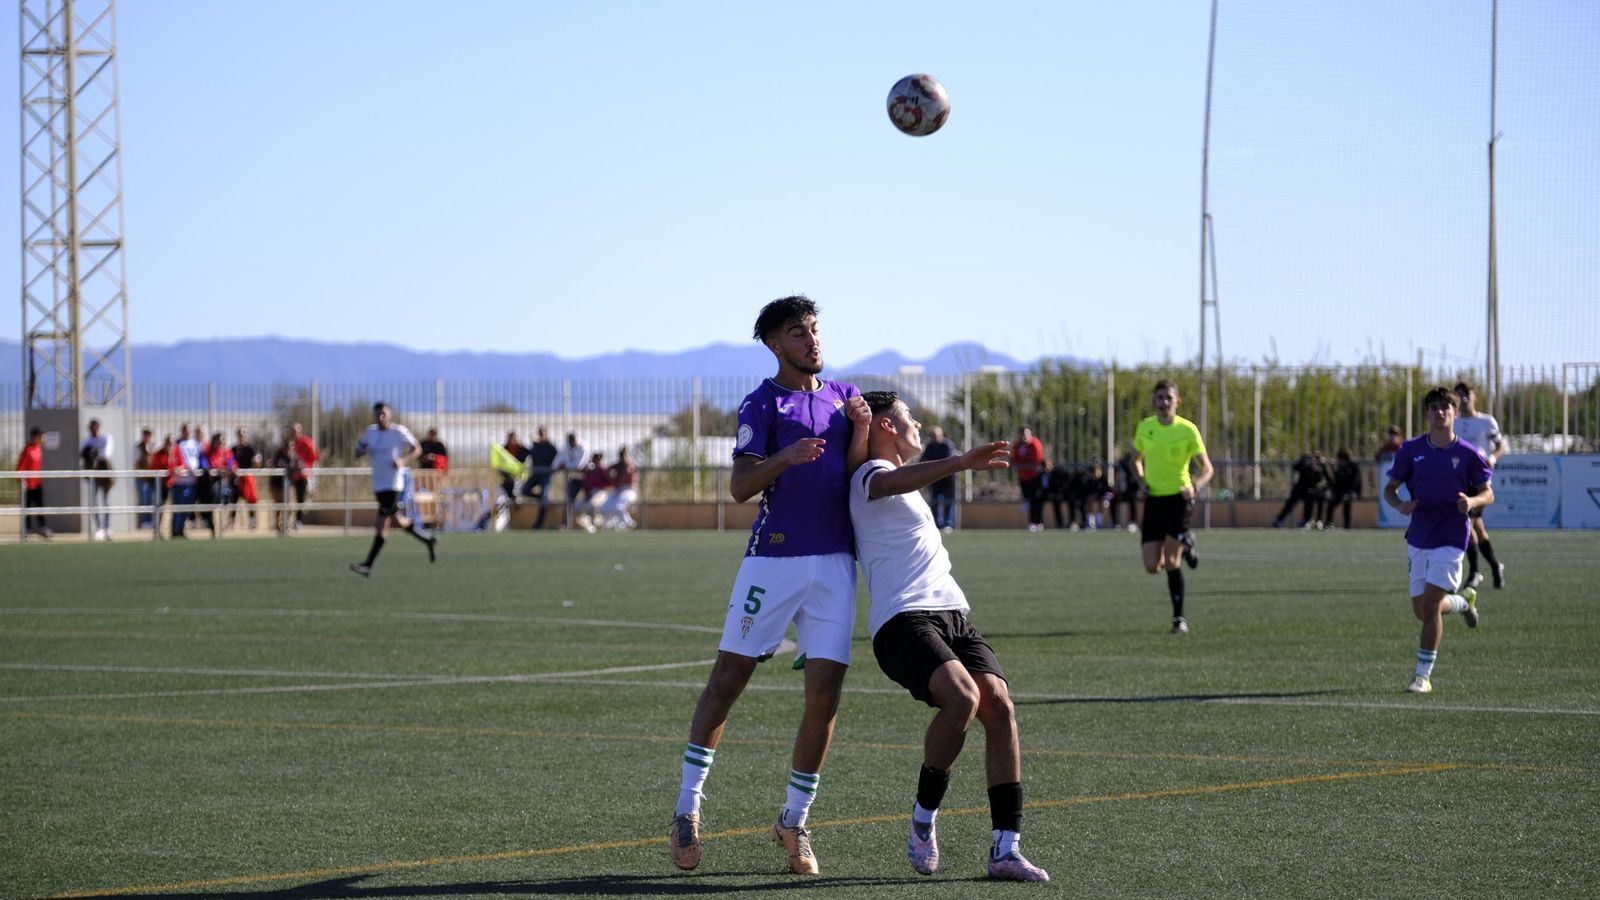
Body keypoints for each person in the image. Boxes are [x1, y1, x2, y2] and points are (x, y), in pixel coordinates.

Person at [669, 295, 870, 877]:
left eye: (814, 329)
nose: (812, 339)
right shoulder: (764, 402)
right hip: (773, 562)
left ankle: (795, 821)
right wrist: (782, 457)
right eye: (797, 332)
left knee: (825, 694)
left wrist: (863, 430)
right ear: (774, 344)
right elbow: (739, 487)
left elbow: (862, 468)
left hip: (834, 563)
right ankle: (688, 807)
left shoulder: (843, 396)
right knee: (729, 679)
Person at [848, 391, 1050, 882]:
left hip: (953, 613)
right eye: (908, 416)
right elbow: (891, 480)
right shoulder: (866, 476)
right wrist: (959, 462)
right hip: (903, 621)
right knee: (962, 698)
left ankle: (1006, 848)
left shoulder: (900, 480)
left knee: (998, 703)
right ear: (886, 428)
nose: (918, 423)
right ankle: (923, 819)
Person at [1382, 387, 1493, 693]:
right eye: (1433, 407)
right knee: (1421, 610)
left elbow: (1488, 493)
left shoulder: (1470, 454)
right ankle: (1463, 601)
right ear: (1427, 413)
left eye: (1445, 407)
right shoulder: (1410, 450)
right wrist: (1400, 505)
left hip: (1451, 535)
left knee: (1430, 605)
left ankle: (1422, 676)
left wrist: (1471, 503)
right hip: (1419, 534)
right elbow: (1390, 490)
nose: (1439, 411)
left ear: (1456, 413)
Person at [1133, 380, 1214, 635]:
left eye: (1168, 398)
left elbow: (1207, 468)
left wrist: (1195, 486)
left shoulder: (1188, 430)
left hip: (1178, 500)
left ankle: (1179, 618)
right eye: (1160, 397)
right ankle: (1187, 541)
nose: (1164, 402)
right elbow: (1135, 460)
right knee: (1151, 565)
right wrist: (1141, 481)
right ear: (1154, 401)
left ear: (1177, 401)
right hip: (1154, 501)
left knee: (1170, 561)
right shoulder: (1146, 428)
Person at [350, 402, 438, 576]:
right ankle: (428, 539)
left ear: (389, 414)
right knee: (397, 520)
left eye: (384, 414)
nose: (381, 417)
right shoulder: (371, 432)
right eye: (378, 414)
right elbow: (357, 449)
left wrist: (402, 461)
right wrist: (361, 451)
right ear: (374, 416)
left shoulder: (398, 431)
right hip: (379, 485)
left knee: (381, 523)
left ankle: (368, 565)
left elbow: (417, 449)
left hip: (394, 485)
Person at [1453, 382, 1507, 590]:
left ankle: (1475, 572)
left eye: (1466, 393)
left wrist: (1493, 457)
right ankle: (1495, 565)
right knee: (1478, 529)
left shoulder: (1486, 421)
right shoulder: (1453, 423)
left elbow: (1501, 446)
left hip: (1479, 483)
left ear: (1474, 396)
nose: (1463, 398)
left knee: (1465, 523)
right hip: (1458, 481)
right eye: (1458, 395)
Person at [1273, 450, 1329, 528]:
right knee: (1290, 504)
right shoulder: (1306, 463)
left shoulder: (1321, 467)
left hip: (1309, 490)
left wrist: (1321, 488)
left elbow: (1326, 479)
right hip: (1300, 488)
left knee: (1309, 504)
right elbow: (1295, 467)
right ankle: (1279, 519)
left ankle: (1306, 521)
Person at [79, 418, 114, 541]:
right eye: (90, 428)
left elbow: (106, 453)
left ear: (98, 428)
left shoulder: (106, 437)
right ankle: (99, 528)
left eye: (94, 428)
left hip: (105, 471)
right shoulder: (87, 440)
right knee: (93, 501)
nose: (92, 431)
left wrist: (94, 453)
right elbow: (82, 453)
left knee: (106, 501)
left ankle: (107, 528)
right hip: (93, 472)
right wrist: (89, 454)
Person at [917, 425, 958, 531]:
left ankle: (949, 524)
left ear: (941, 435)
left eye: (936, 435)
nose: (934, 438)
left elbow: (950, 459)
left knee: (949, 501)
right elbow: (922, 460)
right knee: (934, 501)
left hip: (948, 479)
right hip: (935, 479)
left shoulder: (947, 445)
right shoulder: (930, 446)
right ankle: (937, 524)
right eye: (932, 436)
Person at [170, 423, 206, 538]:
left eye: (189, 430)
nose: (187, 432)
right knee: (178, 506)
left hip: (192, 481)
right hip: (179, 480)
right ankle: (175, 530)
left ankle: (181, 529)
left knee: (187, 506)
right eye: (185, 430)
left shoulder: (196, 444)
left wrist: (201, 469)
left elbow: (200, 458)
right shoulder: (177, 444)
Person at [17, 427, 51, 539]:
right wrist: (21, 480)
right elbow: (21, 465)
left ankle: (42, 527)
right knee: (27, 507)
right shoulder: (27, 450)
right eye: (40, 436)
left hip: (37, 482)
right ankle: (27, 530)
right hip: (28, 484)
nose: (42, 438)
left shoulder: (38, 448)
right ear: (35, 437)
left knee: (40, 505)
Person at [1013, 426, 1048, 532]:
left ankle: (1038, 522)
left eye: (1025, 434)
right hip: (1023, 477)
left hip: (1035, 477)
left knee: (1036, 500)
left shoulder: (1035, 444)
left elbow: (1036, 460)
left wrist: (1025, 464)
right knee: (1028, 500)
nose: (1024, 436)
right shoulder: (1017, 445)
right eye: (1022, 434)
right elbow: (1015, 459)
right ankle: (1032, 522)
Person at [286, 422, 319, 528]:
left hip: (303, 475)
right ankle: (288, 520)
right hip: (292, 475)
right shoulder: (290, 444)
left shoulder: (306, 442)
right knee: (290, 499)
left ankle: (298, 521)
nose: (294, 434)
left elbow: (314, 457)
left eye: (296, 431)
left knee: (300, 498)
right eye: (293, 431)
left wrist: (308, 469)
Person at [527, 427, 559, 529]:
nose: (541, 435)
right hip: (535, 474)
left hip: (546, 475)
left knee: (544, 498)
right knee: (524, 490)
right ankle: (542, 499)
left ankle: (539, 524)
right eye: (539, 433)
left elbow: (557, 460)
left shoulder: (551, 447)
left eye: (542, 433)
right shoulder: (535, 446)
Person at [600, 445, 639, 529]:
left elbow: (628, 471)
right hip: (617, 490)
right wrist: (611, 478)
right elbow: (606, 470)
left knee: (618, 507)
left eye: (623, 455)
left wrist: (617, 478)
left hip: (628, 490)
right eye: (620, 456)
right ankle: (611, 525)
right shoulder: (617, 465)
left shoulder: (630, 465)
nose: (622, 458)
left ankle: (628, 523)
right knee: (604, 508)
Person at [554, 432, 587, 530]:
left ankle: (588, 523)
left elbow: (579, 465)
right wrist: (561, 465)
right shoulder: (566, 447)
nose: (571, 444)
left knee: (589, 501)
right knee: (569, 500)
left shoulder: (584, 447)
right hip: (574, 478)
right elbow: (555, 464)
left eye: (573, 441)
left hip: (587, 478)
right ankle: (565, 524)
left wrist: (565, 465)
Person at [230, 428, 261, 530]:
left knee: (250, 499)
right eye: (239, 435)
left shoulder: (250, 449)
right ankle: (232, 521)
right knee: (234, 499)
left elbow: (256, 463)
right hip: (236, 479)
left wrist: (256, 464)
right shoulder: (233, 449)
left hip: (247, 478)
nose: (241, 437)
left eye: (243, 434)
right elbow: (230, 462)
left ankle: (252, 521)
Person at [573, 452, 612, 533]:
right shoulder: (589, 471)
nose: (596, 460)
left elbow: (610, 482)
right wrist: (587, 495)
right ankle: (590, 526)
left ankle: (601, 522)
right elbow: (585, 484)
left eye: (598, 458)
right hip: (591, 493)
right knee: (576, 506)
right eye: (595, 458)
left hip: (601, 492)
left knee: (592, 505)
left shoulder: (603, 469)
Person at [1323, 448, 1361, 530]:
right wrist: (1332, 469)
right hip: (1340, 490)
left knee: (1347, 505)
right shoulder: (1340, 467)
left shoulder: (1353, 466)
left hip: (1349, 490)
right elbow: (1337, 480)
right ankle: (1329, 524)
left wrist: (1352, 492)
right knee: (1330, 506)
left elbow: (1356, 481)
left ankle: (1347, 525)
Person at [134, 428, 157, 529]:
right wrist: (143, 473)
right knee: (144, 499)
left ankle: (152, 521)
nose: (147, 438)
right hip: (142, 478)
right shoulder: (138, 447)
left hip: (151, 478)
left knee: (152, 500)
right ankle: (144, 521)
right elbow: (136, 463)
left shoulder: (153, 447)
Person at [499, 431, 530, 506]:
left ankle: (516, 503)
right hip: (507, 475)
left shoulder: (522, 449)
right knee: (504, 492)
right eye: (510, 439)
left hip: (518, 475)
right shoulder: (504, 449)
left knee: (517, 490)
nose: (512, 441)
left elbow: (528, 458)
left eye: (513, 439)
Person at [1113, 451, 1141, 532]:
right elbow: (1117, 475)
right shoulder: (1122, 463)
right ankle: (1116, 523)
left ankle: (1133, 522)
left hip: (1133, 489)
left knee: (1132, 500)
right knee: (1113, 501)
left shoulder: (1138, 463)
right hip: (1123, 489)